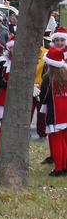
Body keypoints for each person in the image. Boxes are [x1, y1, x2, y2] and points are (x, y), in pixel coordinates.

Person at [40, 29, 67, 176]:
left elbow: (48, 96)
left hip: (57, 112)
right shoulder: (63, 72)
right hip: (64, 110)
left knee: (57, 139)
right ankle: (63, 166)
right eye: (57, 40)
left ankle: (59, 169)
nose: (59, 43)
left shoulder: (52, 77)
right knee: (63, 139)